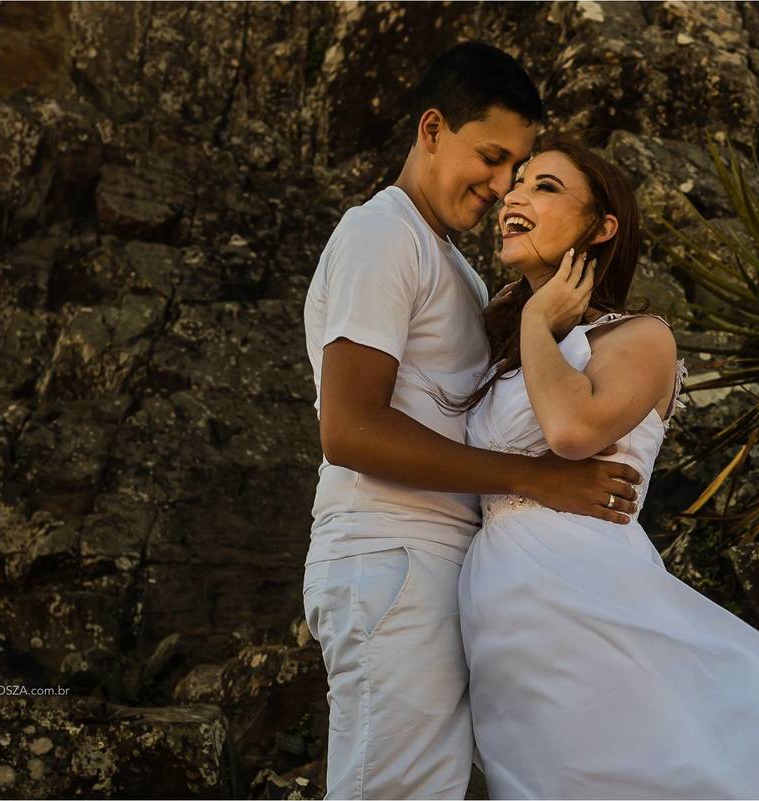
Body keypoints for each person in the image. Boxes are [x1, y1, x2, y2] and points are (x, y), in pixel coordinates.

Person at [458, 139, 759, 799]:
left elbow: (569, 430)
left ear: (601, 228)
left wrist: (538, 317)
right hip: (499, 609)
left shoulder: (639, 337)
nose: (513, 196)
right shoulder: (498, 348)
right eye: (516, 183)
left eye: (544, 186)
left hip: (583, 595)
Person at [301, 44, 643, 799]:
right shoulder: (379, 233)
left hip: (436, 568)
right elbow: (349, 429)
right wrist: (538, 478)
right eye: (491, 158)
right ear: (431, 132)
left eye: (518, 171)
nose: (500, 186)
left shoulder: (455, 267)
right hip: (389, 552)